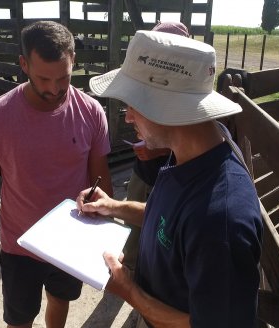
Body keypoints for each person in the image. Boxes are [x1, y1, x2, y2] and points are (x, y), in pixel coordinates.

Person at [78, 30, 263, 327]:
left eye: (133, 104)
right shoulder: (185, 158)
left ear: (165, 104)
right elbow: (168, 222)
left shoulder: (221, 220)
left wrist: (129, 291)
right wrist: (113, 206)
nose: (127, 117)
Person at [0, 21, 113, 328]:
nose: (54, 89)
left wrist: (104, 237)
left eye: (63, 77)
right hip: (19, 246)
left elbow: (102, 182)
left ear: (73, 58)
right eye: (43, 78)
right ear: (24, 64)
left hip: (71, 243)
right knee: (19, 319)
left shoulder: (91, 112)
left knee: (60, 301)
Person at [123, 21, 189, 271]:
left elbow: (184, 141)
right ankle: (130, 266)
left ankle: (141, 275)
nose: (129, 117)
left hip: (164, 174)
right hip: (144, 171)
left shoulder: (175, 96)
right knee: (136, 229)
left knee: (158, 234)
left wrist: (159, 149)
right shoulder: (154, 89)